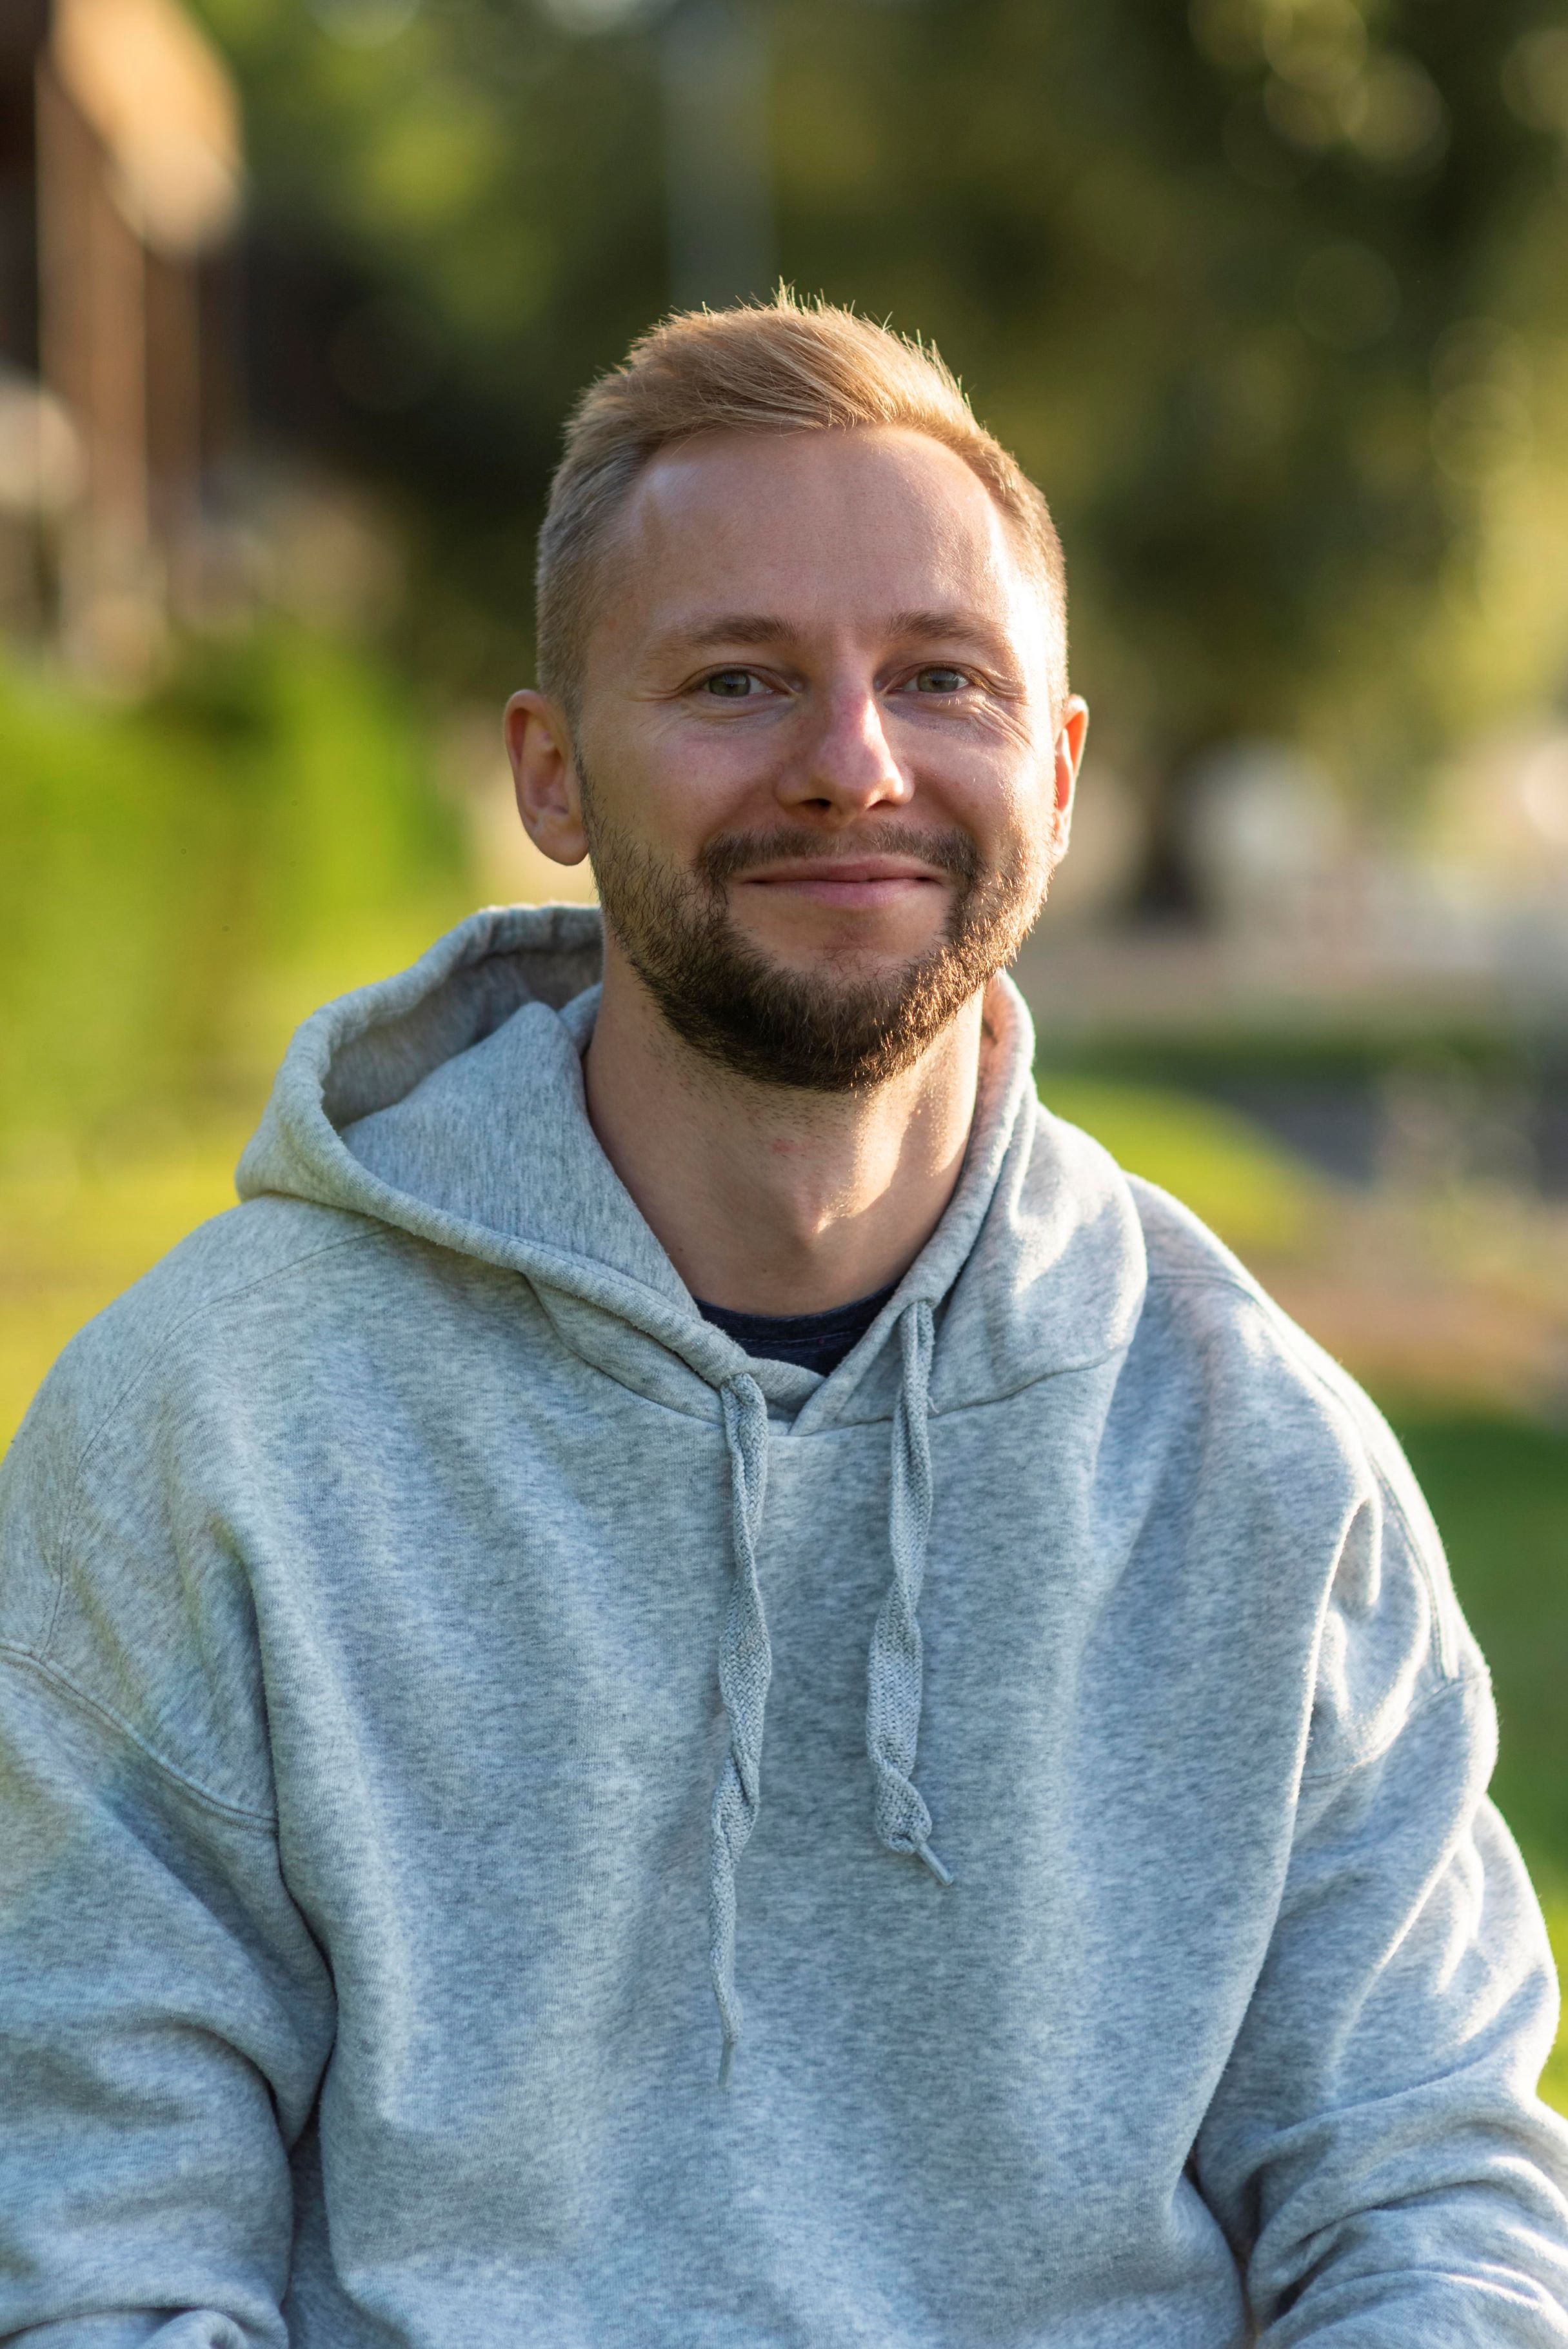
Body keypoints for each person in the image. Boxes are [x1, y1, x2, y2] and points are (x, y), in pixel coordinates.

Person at [1, 295, 1566, 2348]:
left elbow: (1426, 2194)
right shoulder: (210, 1427)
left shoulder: (1264, 1457)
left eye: (945, 679)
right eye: (739, 679)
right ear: (552, 775)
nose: (856, 765)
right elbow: (93, 2227)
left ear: (1064, 771)